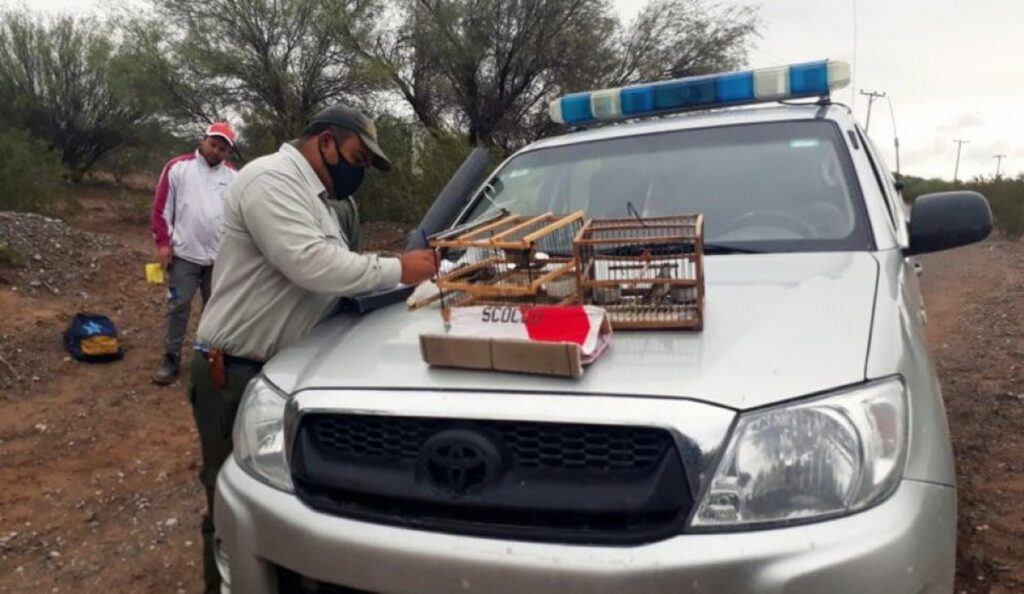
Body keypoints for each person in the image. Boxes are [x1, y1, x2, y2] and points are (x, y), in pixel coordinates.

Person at [188, 104, 437, 593]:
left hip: (286, 373)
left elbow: (336, 276)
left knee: (287, 504)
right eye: (358, 158)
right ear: (326, 143)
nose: (359, 172)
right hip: (235, 371)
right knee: (232, 507)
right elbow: (312, 264)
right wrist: (399, 269)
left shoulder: (320, 200)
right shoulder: (270, 180)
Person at [150, 122, 239, 385]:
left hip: (220, 257)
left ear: (228, 152)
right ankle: (171, 356)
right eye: (213, 144)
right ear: (203, 140)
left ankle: (211, 358)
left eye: (222, 148)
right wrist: (163, 243)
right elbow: (161, 208)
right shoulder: (178, 167)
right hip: (185, 253)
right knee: (179, 304)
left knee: (217, 309)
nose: (216, 151)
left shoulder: (235, 176)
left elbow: (240, 216)